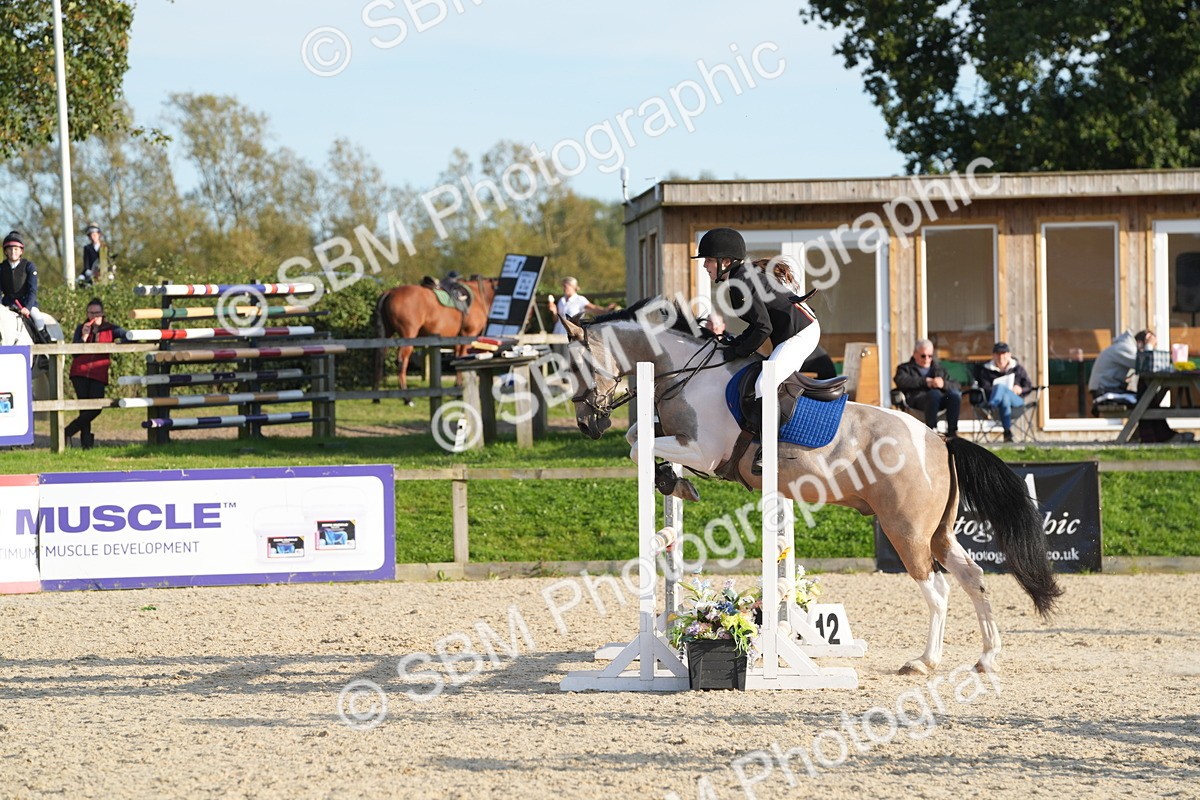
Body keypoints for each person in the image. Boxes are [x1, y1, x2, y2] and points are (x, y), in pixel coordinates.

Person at [693, 227, 821, 472]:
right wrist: (736, 342)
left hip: (801, 334)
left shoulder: (742, 281)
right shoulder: (739, 279)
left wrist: (738, 350)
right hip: (790, 333)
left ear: (725, 262)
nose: (705, 266)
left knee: (764, 384)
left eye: (708, 260)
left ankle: (770, 450)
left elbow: (763, 328)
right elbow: (758, 325)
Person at [1091, 329, 1190, 443]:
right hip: (1104, 394)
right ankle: (1161, 436)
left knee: (1146, 398)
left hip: (1110, 390)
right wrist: (1149, 346)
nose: (1152, 348)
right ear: (1143, 341)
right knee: (1145, 399)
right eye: (1152, 344)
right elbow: (1145, 364)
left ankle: (1161, 435)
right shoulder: (1124, 347)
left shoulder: (1124, 346)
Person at [64, 298, 128, 449]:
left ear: (102, 313)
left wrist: (117, 345)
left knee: (96, 408)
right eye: (91, 313)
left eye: (97, 313)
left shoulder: (111, 329)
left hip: (98, 373)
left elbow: (128, 336)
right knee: (85, 408)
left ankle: (67, 431)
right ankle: (86, 444)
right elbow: (74, 353)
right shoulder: (81, 328)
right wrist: (83, 338)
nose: (94, 316)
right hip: (79, 373)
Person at [894, 338, 962, 437]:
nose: (927, 359)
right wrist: (925, 382)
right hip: (916, 400)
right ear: (915, 354)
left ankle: (952, 431)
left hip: (938, 402)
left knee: (954, 395)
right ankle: (931, 430)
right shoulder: (905, 368)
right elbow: (901, 381)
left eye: (930, 356)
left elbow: (957, 385)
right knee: (934, 394)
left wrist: (943, 384)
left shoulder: (939, 369)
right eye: (923, 356)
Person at [975, 341, 1033, 442]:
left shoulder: (1017, 368)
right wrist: (999, 391)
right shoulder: (986, 370)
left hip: (1016, 402)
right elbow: (985, 388)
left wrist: (1020, 389)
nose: (1001, 357)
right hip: (1001, 403)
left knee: (1002, 388)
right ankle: (1007, 433)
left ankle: (992, 405)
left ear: (1009, 355)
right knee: (1004, 396)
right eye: (998, 354)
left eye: (1004, 354)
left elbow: (1028, 386)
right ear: (993, 355)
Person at [1, 231, 50, 343]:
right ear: (6, 251)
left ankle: (45, 349)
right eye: (10, 249)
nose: (13, 252)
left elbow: (32, 290)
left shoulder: (29, 266)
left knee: (38, 321)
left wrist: (27, 307)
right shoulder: (1, 268)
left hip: (26, 303)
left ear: (21, 251)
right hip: (8, 303)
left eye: (16, 249)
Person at [548, 276, 613, 335]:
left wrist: (606, 310)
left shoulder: (580, 300)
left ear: (572, 286)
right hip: (557, 333)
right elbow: (555, 320)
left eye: (565, 286)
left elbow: (594, 308)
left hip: (572, 335)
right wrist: (554, 312)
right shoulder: (561, 300)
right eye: (563, 286)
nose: (563, 288)